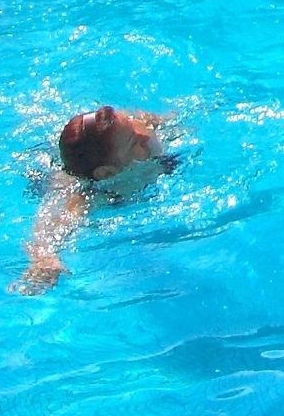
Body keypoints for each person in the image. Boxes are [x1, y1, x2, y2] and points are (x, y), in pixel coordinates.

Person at [17, 105, 172, 294]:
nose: (146, 134)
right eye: (134, 142)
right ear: (107, 172)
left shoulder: (145, 127)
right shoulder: (92, 195)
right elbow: (53, 224)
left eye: (132, 123)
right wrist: (44, 258)